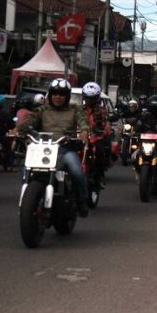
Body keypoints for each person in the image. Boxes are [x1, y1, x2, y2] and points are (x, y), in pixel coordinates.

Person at [17, 78, 90, 217]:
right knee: (24, 169)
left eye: (61, 94)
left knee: (76, 172)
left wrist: (84, 132)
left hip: (65, 149)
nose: (58, 97)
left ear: (67, 96)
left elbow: (83, 123)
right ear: (50, 95)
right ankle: (29, 198)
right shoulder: (42, 109)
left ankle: (82, 201)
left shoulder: (75, 109)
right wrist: (18, 130)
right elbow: (29, 122)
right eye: (55, 94)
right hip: (43, 148)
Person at [81, 82, 110, 189]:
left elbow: (106, 123)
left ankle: (100, 175)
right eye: (87, 98)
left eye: (92, 98)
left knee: (100, 151)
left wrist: (105, 131)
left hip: (95, 138)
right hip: (80, 138)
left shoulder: (101, 111)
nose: (89, 100)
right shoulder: (79, 110)